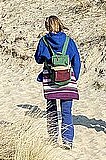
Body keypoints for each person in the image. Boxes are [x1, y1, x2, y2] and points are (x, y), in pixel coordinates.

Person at [35, 16, 81, 150]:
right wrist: (74, 77)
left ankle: (53, 138)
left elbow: (38, 59)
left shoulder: (44, 41)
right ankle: (67, 141)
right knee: (67, 112)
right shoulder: (69, 41)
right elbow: (76, 62)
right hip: (67, 80)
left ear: (47, 27)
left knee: (51, 111)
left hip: (50, 80)